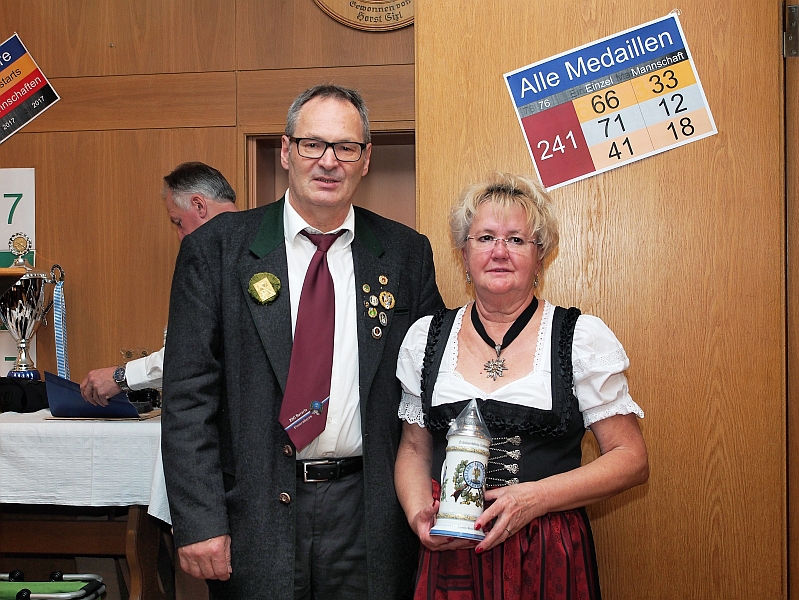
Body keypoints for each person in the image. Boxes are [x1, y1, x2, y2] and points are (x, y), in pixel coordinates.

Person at [161, 84, 444, 599]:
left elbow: (430, 389)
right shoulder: (216, 251)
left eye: (346, 147)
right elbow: (187, 400)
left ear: (366, 159)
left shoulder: (405, 254)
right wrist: (200, 519)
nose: (328, 161)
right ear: (287, 151)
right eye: (313, 144)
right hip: (255, 515)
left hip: (371, 516)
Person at [394, 172, 649, 599]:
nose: (499, 252)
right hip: (452, 551)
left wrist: (535, 498)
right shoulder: (426, 338)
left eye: (516, 239)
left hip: (546, 552)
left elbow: (631, 458)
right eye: (485, 238)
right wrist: (419, 513)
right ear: (463, 253)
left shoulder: (579, 338)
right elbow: (414, 450)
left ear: (540, 255)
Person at [80, 162, 238, 406]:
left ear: (199, 205)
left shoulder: (214, 261)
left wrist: (121, 377)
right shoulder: (261, 249)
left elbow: (188, 356)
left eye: (178, 222)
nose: (180, 236)